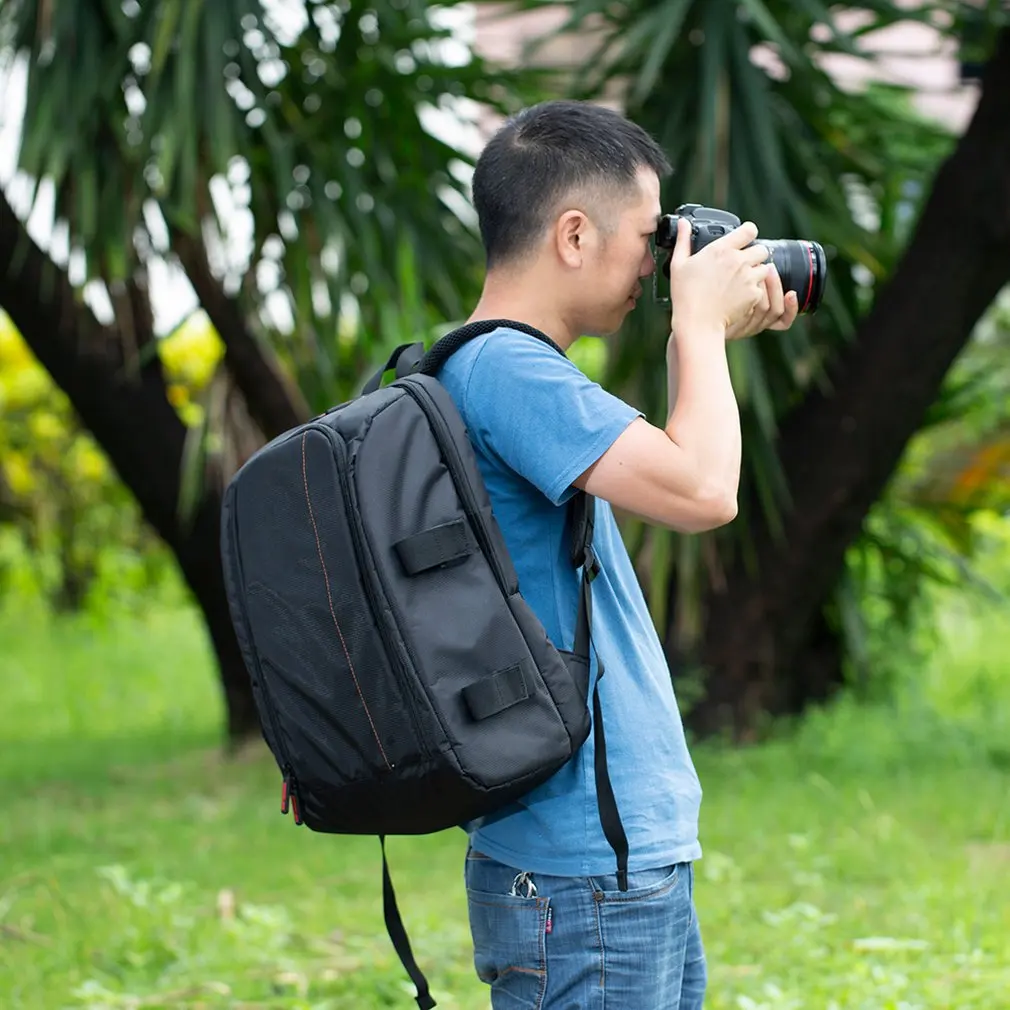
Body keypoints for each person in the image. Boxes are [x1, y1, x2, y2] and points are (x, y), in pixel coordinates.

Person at [436, 99, 799, 1010]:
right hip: (581, 869)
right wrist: (700, 329)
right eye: (648, 236)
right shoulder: (508, 371)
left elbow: (683, 464)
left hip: (604, 858)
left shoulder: (500, 371)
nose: (656, 262)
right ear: (572, 233)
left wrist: (706, 340)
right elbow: (705, 492)